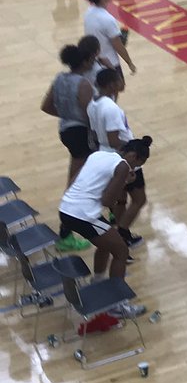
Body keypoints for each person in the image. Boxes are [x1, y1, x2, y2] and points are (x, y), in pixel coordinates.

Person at [58, 136, 152, 317]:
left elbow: (73, 181)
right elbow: (108, 200)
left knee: (107, 243)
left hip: (66, 209)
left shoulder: (98, 155)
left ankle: (98, 280)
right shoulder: (123, 166)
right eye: (138, 164)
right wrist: (125, 181)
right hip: (83, 215)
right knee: (122, 251)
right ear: (132, 156)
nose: (135, 169)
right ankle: (117, 304)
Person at [88, 68, 145, 251]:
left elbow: (95, 134)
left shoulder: (94, 103)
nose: (122, 83)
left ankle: (122, 235)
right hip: (123, 158)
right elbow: (114, 140)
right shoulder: (110, 108)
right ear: (112, 84)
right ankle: (122, 233)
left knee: (121, 200)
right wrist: (134, 150)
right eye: (120, 80)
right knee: (139, 199)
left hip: (106, 155)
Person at [41, 43, 97, 189]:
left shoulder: (59, 78)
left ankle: (71, 196)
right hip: (80, 132)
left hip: (65, 130)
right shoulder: (83, 84)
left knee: (76, 163)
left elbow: (45, 106)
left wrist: (67, 114)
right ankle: (70, 199)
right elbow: (89, 115)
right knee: (83, 169)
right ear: (84, 62)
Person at [82, 0, 136, 80]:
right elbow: (118, 46)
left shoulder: (88, 13)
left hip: (94, 62)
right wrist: (129, 62)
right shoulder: (108, 19)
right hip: (110, 63)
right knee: (113, 91)